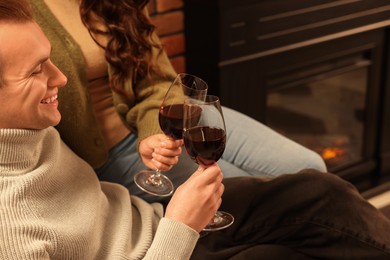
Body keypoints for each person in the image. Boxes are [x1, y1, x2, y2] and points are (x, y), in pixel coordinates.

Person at [1, 2, 390, 259]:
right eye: (37, 69)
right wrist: (181, 225)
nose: (61, 78)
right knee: (293, 243)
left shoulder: (31, 130)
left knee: (315, 182)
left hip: (151, 209)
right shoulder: (12, 219)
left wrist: (156, 134)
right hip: (164, 234)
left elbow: (156, 78)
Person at [30, 0, 327, 202]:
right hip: (107, 153)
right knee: (247, 199)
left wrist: (154, 133)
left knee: (310, 168)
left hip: (168, 120)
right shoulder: (16, 11)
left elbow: (158, 79)